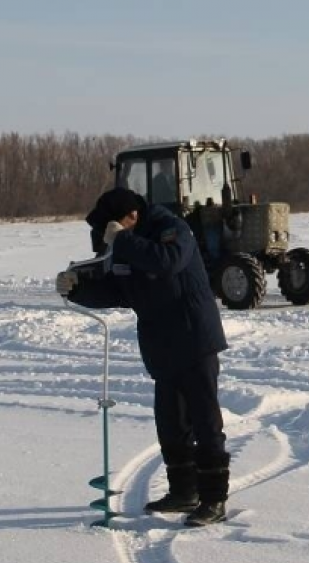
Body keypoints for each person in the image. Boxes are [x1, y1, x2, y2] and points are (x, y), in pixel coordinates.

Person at [56, 187, 231, 527]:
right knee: (171, 423)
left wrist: (122, 241)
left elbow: (167, 263)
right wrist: (78, 290)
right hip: (162, 345)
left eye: (112, 227)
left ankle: (214, 500)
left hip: (195, 339)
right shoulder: (128, 246)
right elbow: (119, 291)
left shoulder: (172, 229)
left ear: (132, 216)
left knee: (205, 422)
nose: (108, 235)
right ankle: (184, 492)